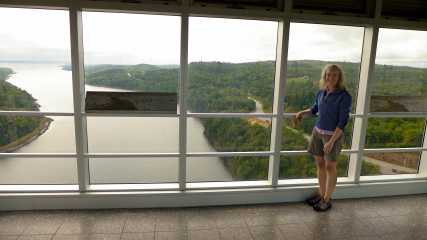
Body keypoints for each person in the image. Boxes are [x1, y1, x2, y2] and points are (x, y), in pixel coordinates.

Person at [294, 64, 352, 211]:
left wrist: (332, 141)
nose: (330, 78)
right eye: (328, 74)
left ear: (339, 78)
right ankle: (321, 195)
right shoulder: (322, 92)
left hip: (332, 136)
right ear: (324, 76)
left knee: (330, 167)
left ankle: (327, 200)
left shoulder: (344, 96)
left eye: (334, 75)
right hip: (317, 132)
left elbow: (342, 122)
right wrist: (302, 112)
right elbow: (315, 109)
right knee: (320, 166)